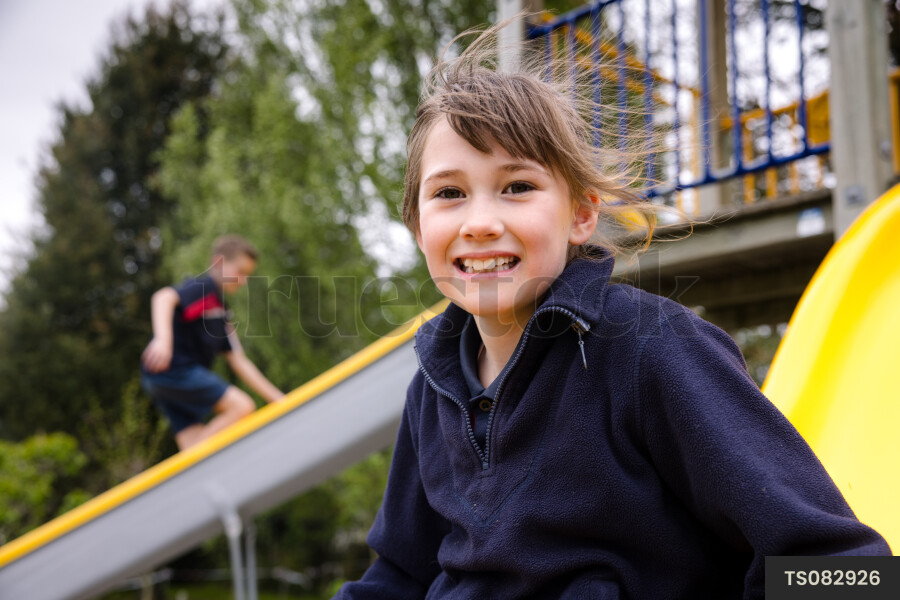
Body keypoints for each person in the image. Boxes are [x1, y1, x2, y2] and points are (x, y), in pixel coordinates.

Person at [332, 21, 891, 600]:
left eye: (518, 186)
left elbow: (844, 568)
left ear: (580, 214)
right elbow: (399, 577)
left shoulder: (652, 348)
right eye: (449, 193)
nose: (479, 221)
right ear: (419, 228)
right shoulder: (434, 383)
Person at [141, 234, 284, 450]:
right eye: (240, 272)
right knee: (242, 406)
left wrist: (280, 400)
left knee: (192, 444)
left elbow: (239, 361)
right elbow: (163, 297)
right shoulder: (204, 288)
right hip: (174, 370)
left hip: (162, 379)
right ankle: (194, 457)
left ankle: (191, 465)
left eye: (248, 276)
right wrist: (163, 340)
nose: (243, 280)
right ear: (219, 263)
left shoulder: (221, 312)